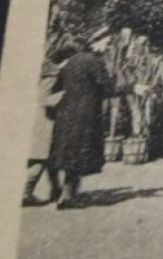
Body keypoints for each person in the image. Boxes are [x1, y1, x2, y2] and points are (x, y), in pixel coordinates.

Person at [49, 30, 138, 208]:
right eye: (106, 43)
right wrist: (133, 87)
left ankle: (67, 194)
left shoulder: (70, 63)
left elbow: (56, 88)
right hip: (85, 115)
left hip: (66, 114)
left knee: (70, 154)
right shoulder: (93, 62)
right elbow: (109, 89)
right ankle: (68, 198)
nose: (107, 47)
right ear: (96, 43)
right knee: (79, 153)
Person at [23, 47, 68, 206]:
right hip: (43, 122)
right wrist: (64, 95)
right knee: (41, 159)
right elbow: (45, 100)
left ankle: (56, 190)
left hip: (36, 120)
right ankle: (25, 193)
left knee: (49, 158)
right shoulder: (51, 76)